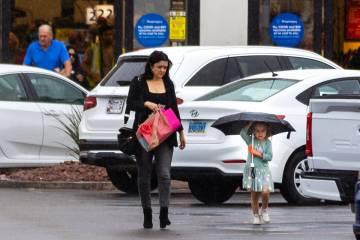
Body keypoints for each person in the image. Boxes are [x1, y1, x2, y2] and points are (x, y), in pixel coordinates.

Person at [126, 50, 186, 229]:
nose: (162, 70)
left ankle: (164, 213)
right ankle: (147, 213)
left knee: (165, 174)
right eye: (159, 67)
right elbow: (130, 104)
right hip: (144, 134)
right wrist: (146, 103)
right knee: (144, 175)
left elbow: (173, 109)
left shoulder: (168, 83)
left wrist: (181, 132)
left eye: (165, 68)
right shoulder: (138, 82)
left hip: (165, 135)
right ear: (151, 66)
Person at [240, 122, 274, 225]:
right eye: (257, 131)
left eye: (263, 131)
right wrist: (249, 123)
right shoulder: (251, 140)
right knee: (254, 193)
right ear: (253, 131)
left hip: (264, 171)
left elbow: (270, 157)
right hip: (253, 170)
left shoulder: (268, 143)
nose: (260, 133)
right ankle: (255, 215)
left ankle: (264, 210)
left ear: (266, 131)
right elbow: (242, 133)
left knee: (265, 191)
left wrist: (257, 153)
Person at [81, 19, 114, 89]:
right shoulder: (93, 49)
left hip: (113, 84)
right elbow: (84, 64)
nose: (109, 37)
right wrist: (92, 74)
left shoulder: (118, 49)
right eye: (107, 35)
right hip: (97, 85)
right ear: (101, 36)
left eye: (111, 34)